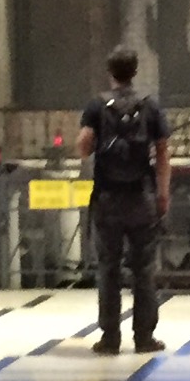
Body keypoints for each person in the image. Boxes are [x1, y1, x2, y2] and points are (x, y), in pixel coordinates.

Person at [77, 48, 173, 353]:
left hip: (107, 199)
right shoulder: (150, 106)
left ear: (111, 72)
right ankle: (144, 337)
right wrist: (163, 193)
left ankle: (110, 338)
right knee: (144, 269)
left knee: (108, 268)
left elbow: (83, 147)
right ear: (135, 72)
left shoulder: (97, 105)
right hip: (141, 198)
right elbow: (162, 154)